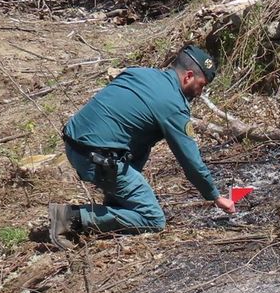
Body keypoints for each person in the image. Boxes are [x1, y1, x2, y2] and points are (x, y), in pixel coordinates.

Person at [47, 45, 235, 242]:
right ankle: (70, 218)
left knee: (142, 147)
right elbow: (190, 160)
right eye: (201, 85)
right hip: (95, 158)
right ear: (188, 76)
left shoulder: (140, 73)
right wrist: (214, 196)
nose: (200, 92)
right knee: (152, 219)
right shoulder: (172, 104)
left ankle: (114, 207)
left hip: (73, 142)